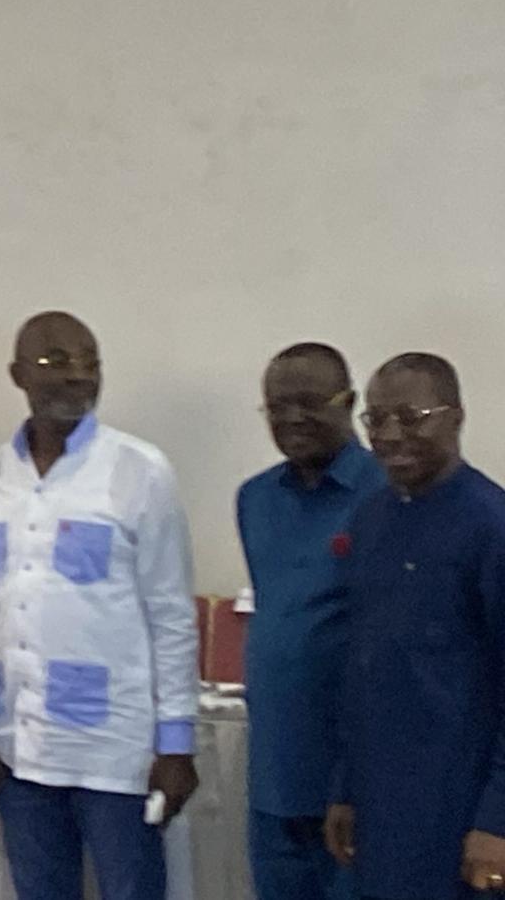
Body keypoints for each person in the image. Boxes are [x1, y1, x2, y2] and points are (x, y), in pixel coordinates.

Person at [0, 311, 199, 900]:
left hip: (116, 752)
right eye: (56, 361)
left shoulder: (140, 470)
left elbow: (171, 615)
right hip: (18, 748)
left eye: (90, 362)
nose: (78, 376)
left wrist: (176, 744)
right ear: (17, 374)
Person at [324, 353, 505, 900]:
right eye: (376, 419)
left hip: (461, 811)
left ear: (456, 417)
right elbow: (362, 666)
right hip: (380, 807)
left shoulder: (490, 525)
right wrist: (345, 788)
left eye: (411, 417)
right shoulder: (371, 519)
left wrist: (496, 820)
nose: (390, 435)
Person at [237, 344, 382, 900]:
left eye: (309, 402)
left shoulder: (387, 494)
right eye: (277, 406)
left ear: (349, 402)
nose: (293, 418)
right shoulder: (255, 499)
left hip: (358, 778)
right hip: (275, 770)